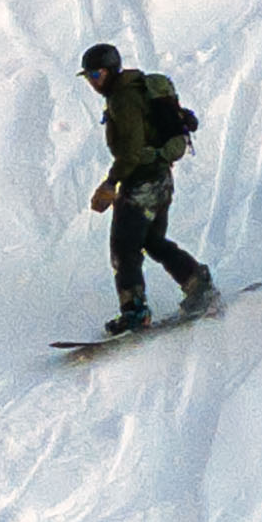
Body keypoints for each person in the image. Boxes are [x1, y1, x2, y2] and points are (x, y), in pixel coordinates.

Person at [79, 41, 213, 334]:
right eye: (88, 76)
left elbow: (132, 150)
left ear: (110, 71)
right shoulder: (135, 88)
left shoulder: (123, 98)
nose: (92, 82)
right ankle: (198, 285)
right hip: (161, 178)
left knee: (124, 248)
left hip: (142, 183)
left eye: (96, 75)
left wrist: (110, 183)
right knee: (153, 241)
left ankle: (135, 311)